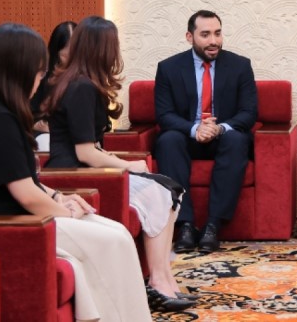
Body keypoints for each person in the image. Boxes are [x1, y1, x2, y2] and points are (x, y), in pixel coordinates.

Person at [0, 22, 153, 322]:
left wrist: (60, 196)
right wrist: (63, 211)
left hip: (22, 218)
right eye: (40, 72)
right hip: (3, 227)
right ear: (19, 70)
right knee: (114, 241)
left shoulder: (0, 112)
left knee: (117, 232)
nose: (40, 79)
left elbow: (27, 181)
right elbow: (27, 196)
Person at [45, 16, 194, 312]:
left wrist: (121, 161)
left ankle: (162, 278)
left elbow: (94, 147)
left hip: (88, 167)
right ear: (102, 48)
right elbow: (86, 151)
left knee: (169, 189)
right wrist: (127, 166)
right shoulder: (81, 88)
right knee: (162, 191)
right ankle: (158, 283)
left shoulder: (81, 83)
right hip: (74, 172)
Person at [153, 9, 258, 253]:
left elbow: (249, 112)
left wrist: (219, 128)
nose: (214, 41)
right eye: (206, 34)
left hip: (223, 135)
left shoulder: (240, 66)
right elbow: (164, 114)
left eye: (218, 34)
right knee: (168, 140)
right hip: (187, 136)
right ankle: (186, 224)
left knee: (236, 139)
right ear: (189, 37)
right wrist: (194, 129)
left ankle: (212, 225)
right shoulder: (168, 68)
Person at [30, 20, 76, 150]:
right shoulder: (42, 76)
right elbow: (29, 114)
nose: (72, 55)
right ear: (56, 50)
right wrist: (37, 124)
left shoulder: (87, 78)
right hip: (45, 134)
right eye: (66, 50)